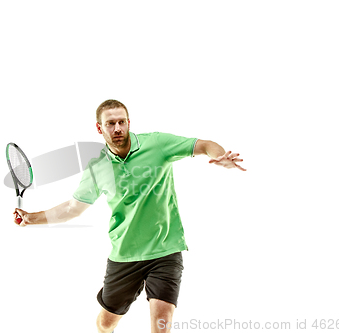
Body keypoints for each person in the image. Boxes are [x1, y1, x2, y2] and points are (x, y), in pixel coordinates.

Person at [13, 99, 246, 333]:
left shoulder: (156, 144)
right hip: (124, 254)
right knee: (105, 324)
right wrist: (30, 217)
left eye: (122, 122)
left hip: (165, 249)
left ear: (128, 123)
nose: (117, 128)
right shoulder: (98, 167)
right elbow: (72, 209)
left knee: (161, 325)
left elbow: (203, 145)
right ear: (99, 128)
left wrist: (221, 156)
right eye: (111, 123)